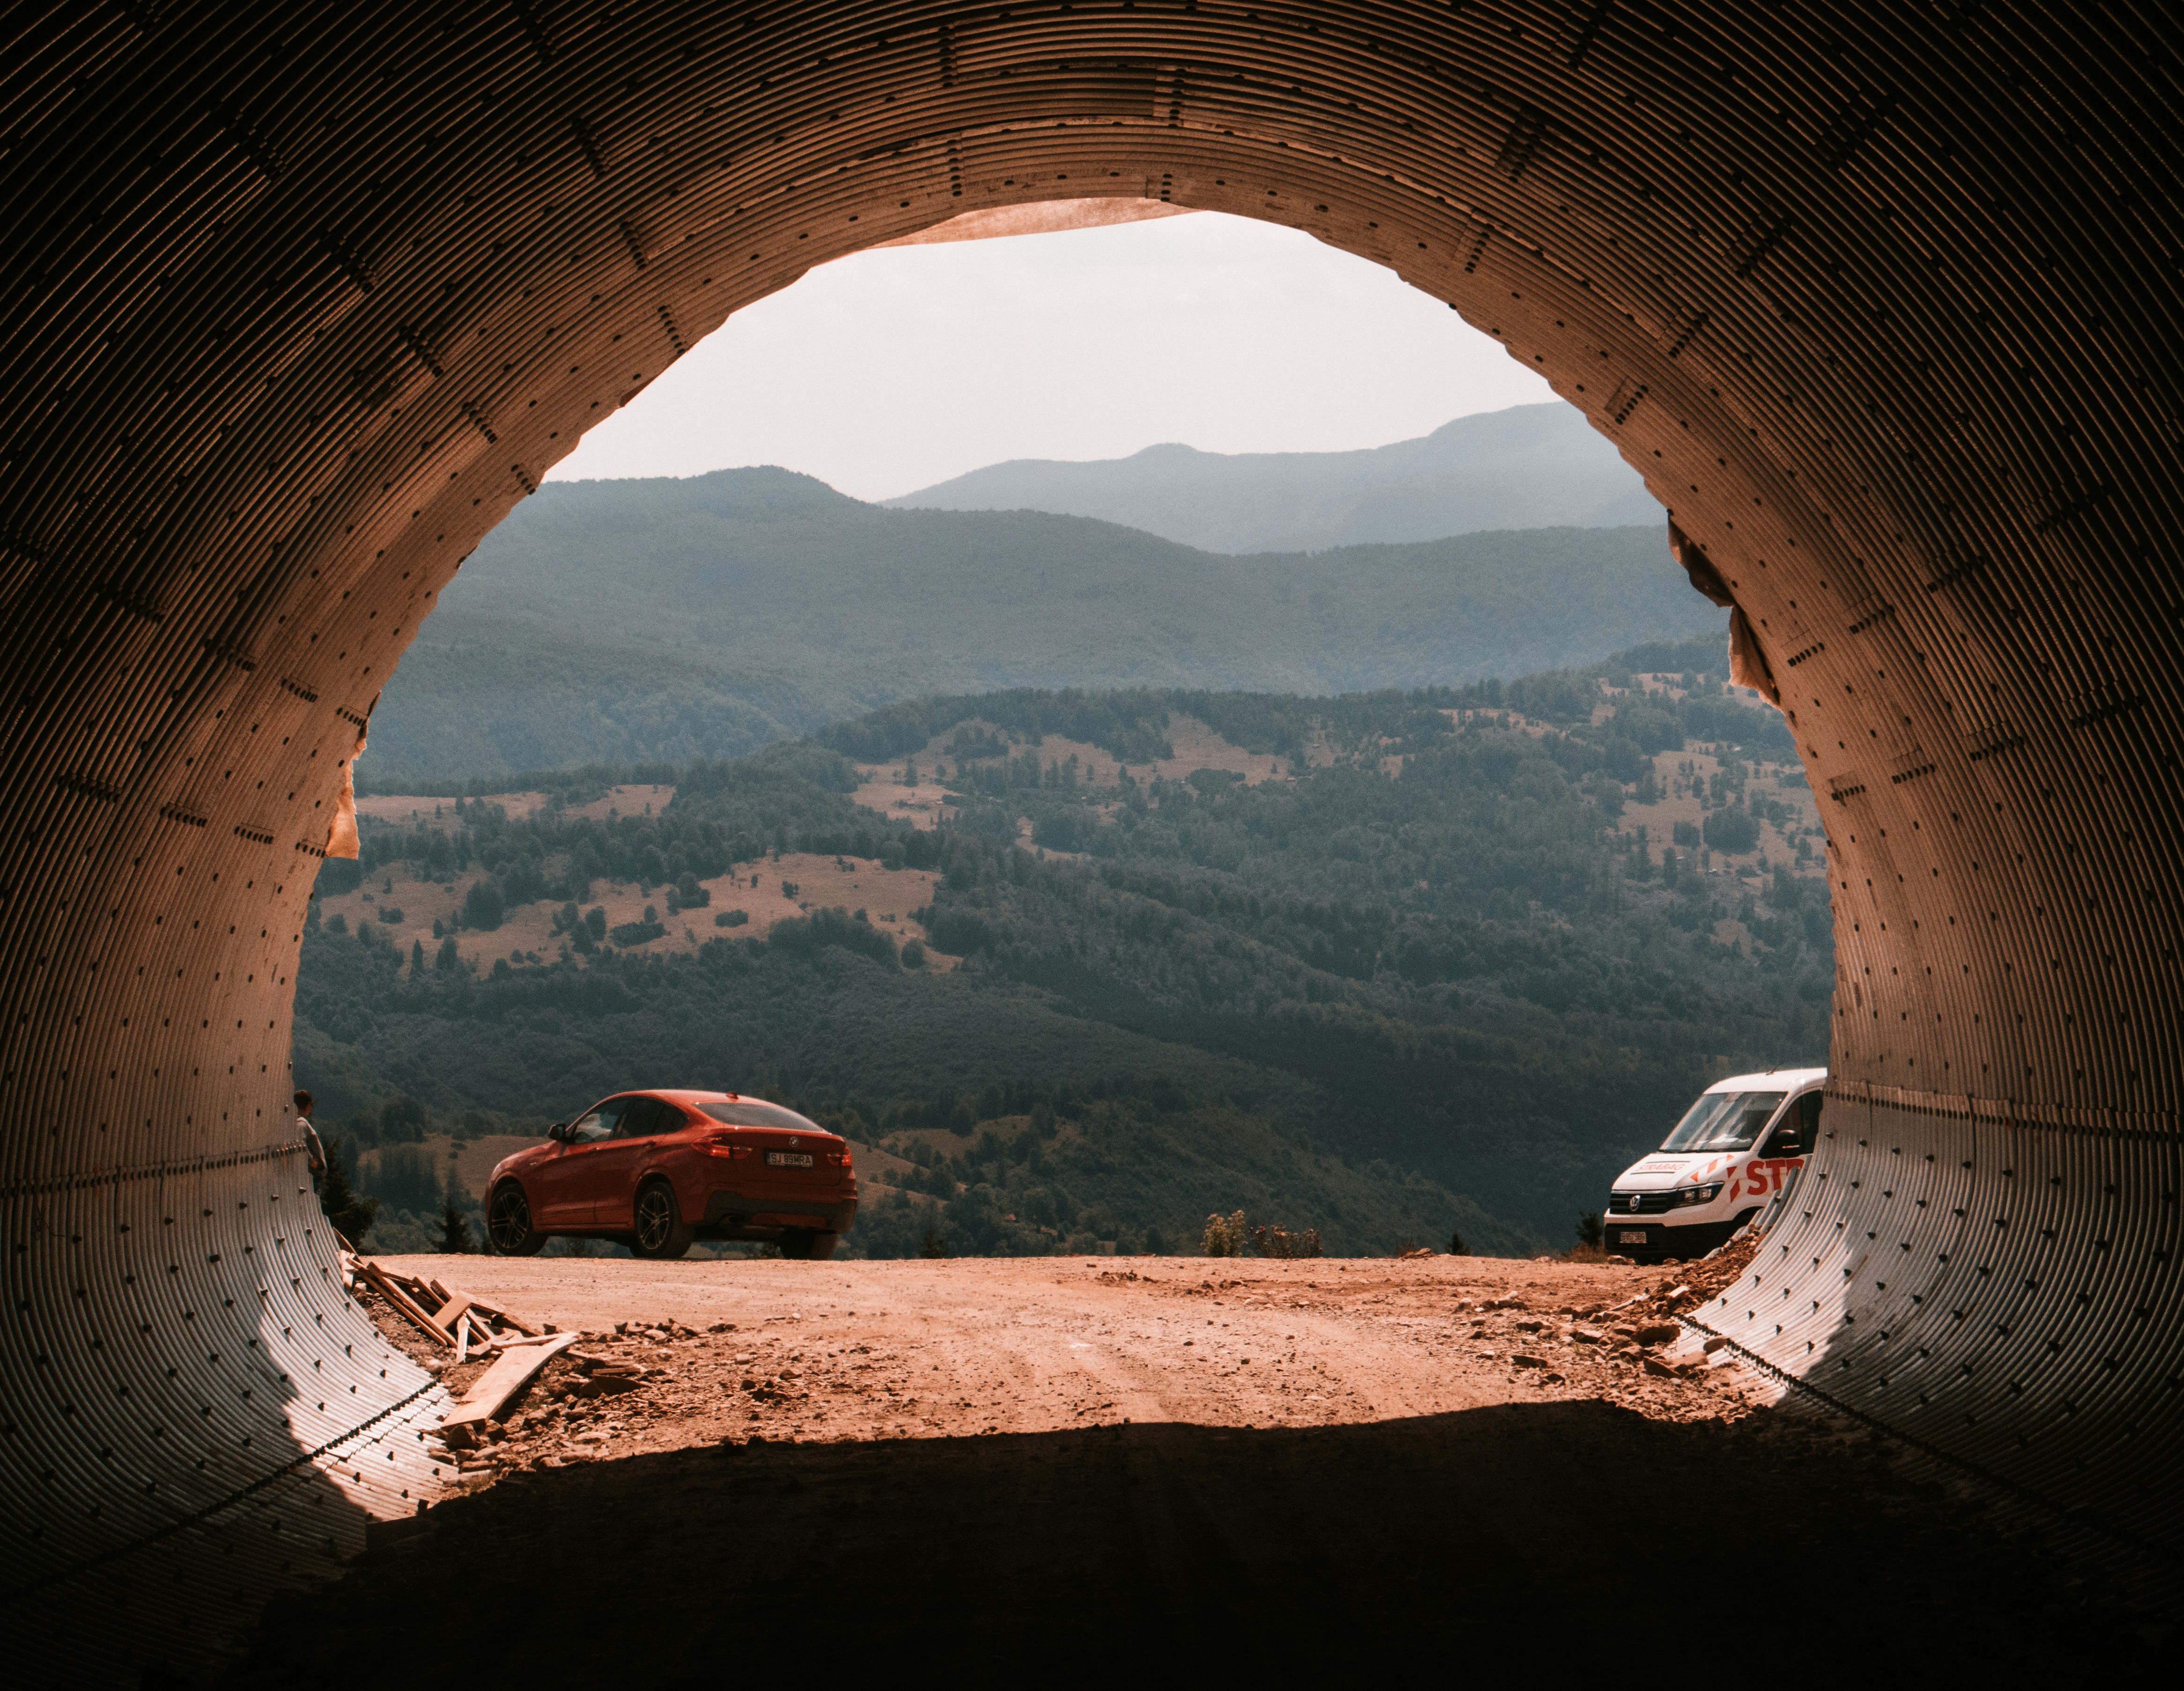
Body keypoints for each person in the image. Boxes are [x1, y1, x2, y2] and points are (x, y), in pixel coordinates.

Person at [296, 1089, 327, 1193]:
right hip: (312, 1176)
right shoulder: (302, 1123)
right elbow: (300, 1144)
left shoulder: (294, 1122)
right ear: (308, 1105)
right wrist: (312, 1162)